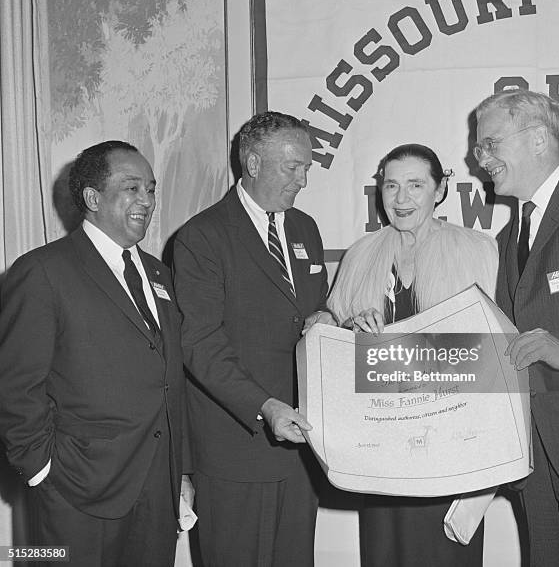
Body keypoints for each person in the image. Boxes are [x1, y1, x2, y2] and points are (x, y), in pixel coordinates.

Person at [0, 141, 190, 567]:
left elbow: (168, 377)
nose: (147, 200)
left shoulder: (160, 274)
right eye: (132, 188)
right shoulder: (43, 271)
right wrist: (41, 470)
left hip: (157, 489)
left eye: (151, 189)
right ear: (92, 198)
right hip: (76, 490)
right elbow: (14, 385)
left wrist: (181, 472)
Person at [172, 111, 330, 566]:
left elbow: (309, 313)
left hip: (302, 449)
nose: (302, 179)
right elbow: (199, 344)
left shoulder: (305, 229)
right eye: (292, 166)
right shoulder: (202, 237)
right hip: (238, 449)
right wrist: (265, 405)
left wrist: (325, 315)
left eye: (306, 167)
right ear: (254, 164)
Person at [328, 143, 497, 566]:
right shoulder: (360, 255)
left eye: (415, 185)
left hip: (451, 447)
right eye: (391, 186)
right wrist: (350, 330)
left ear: (440, 191)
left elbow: (497, 353)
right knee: (385, 552)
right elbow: (332, 348)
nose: (401, 199)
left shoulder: (479, 250)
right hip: (380, 446)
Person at [474, 89, 559, 566]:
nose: (480, 158)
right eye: (479, 147)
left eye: (490, 143)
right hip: (535, 462)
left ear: (537, 140)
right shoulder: (509, 236)